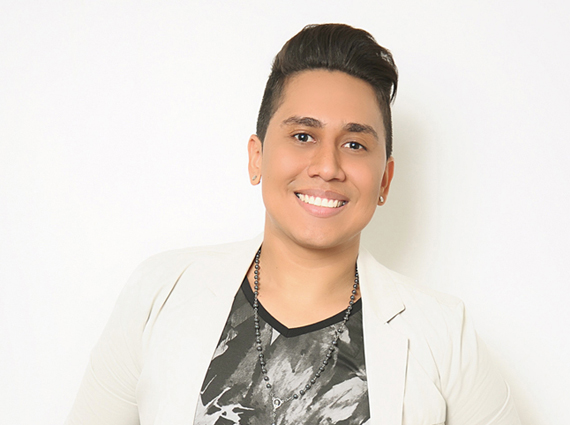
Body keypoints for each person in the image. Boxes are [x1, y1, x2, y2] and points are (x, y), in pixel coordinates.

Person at [66, 24, 520, 425]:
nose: (327, 166)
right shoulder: (161, 292)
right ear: (257, 157)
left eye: (355, 144)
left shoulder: (444, 335)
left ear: (384, 180)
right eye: (303, 136)